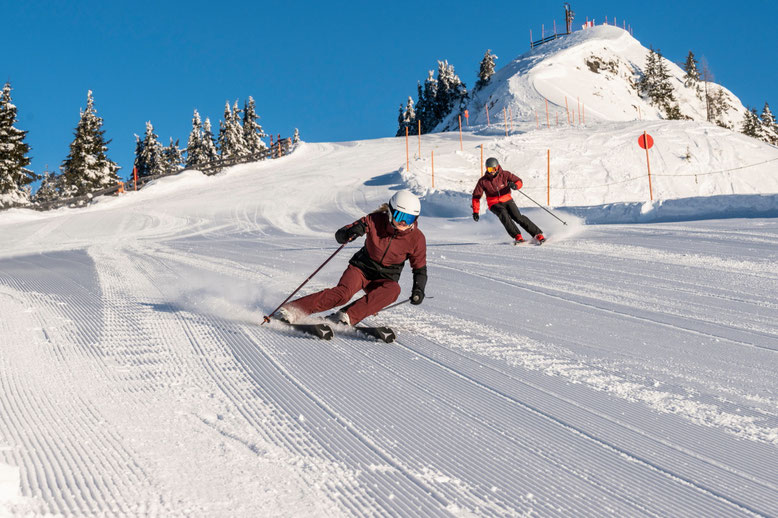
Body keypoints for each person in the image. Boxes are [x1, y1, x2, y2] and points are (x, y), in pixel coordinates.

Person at [278, 190, 427, 326]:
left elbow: (419, 268)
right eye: (401, 216)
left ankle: (345, 316)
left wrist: (419, 290)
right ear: (390, 212)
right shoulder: (375, 220)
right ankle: (292, 310)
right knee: (342, 294)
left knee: (393, 289)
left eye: (409, 219)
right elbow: (340, 235)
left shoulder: (417, 239)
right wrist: (350, 232)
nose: (404, 223)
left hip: (386, 277)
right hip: (361, 268)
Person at [472, 157, 545, 244]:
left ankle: (537, 234)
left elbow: (519, 181)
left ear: (498, 167)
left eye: (494, 168)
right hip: (493, 203)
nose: (492, 171)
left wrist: (515, 185)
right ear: (486, 168)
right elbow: (476, 196)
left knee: (518, 217)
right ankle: (517, 236)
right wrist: (475, 211)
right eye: (489, 169)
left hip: (507, 199)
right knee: (503, 215)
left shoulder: (505, 174)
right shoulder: (483, 181)